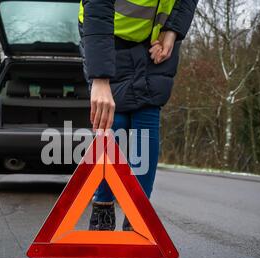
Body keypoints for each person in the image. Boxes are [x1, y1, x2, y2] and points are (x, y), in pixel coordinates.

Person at [79, 0, 198, 231]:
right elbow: (98, 9)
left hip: (156, 37)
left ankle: (138, 219)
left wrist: (172, 30)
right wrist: (100, 79)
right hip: (105, 34)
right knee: (115, 121)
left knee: (147, 115)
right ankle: (103, 208)